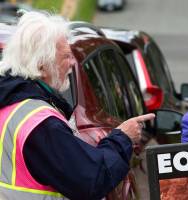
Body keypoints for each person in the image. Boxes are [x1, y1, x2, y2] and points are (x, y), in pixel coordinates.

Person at [0, 11, 155, 200]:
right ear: (41, 65)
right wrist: (123, 138)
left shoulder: (9, 103)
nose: (73, 63)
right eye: (66, 56)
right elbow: (92, 180)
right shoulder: (40, 123)